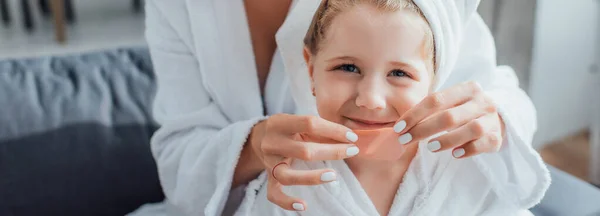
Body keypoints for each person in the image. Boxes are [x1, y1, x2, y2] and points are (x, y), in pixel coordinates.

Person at [134, 0, 549, 215]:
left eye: (398, 74)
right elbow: (178, 154)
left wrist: (492, 119)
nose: (370, 98)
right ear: (310, 66)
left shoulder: (421, 14)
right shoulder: (288, 193)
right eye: (347, 67)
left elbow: (494, 93)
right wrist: (254, 146)